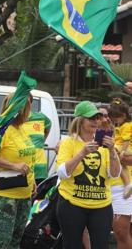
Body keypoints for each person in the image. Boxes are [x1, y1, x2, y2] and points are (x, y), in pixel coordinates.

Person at [56, 101, 120, 249]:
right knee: (71, 245)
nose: (96, 121)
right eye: (91, 118)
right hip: (72, 205)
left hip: (101, 206)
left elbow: (114, 174)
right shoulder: (68, 142)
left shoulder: (105, 143)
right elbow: (62, 173)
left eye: (98, 118)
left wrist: (112, 152)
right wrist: (82, 153)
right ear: (79, 120)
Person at [0, 93, 36, 249]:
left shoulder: (22, 128)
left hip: (24, 193)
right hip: (7, 195)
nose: (30, 109)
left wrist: (32, 181)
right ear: (19, 108)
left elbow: (27, 157)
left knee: (16, 241)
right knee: (3, 242)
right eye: (29, 105)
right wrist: (13, 166)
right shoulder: (2, 129)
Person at [108, 98, 132, 198]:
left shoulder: (126, 125)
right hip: (122, 147)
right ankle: (128, 183)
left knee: (114, 154)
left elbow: (126, 140)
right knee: (122, 165)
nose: (115, 120)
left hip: (126, 148)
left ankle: (127, 183)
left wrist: (122, 151)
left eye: (116, 118)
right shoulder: (121, 125)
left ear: (123, 115)